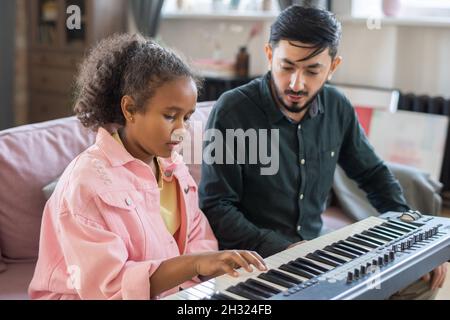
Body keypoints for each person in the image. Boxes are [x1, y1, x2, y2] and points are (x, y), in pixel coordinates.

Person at [199, 6, 446, 299]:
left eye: (312, 70)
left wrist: (413, 234)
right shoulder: (234, 111)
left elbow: (372, 174)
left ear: (333, 66)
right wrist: (285, 248)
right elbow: (217, 206)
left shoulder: (337, 107)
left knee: (418, 280)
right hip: (255, 259)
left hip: (317, 249)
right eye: (286, 67)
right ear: (269, 55)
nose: (296, 84)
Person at [28, 34, 266, 300]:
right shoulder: (86, 183)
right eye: (170, 116)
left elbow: (198, 239)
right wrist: (197, 263)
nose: (181, 131)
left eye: (186, 118)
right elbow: (109, 286)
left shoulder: (173, 166)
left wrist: (216, 269)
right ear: (129, 109)